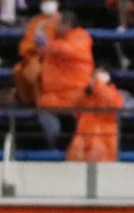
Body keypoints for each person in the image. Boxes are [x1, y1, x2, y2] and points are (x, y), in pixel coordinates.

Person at [36, 9, 94, 149]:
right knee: (50, 125)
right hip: (53, 97)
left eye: (58, 23)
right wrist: (44, 28)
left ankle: (78, 150)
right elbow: (41, 48)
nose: (54, 26)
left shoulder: (81, 37)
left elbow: (67, 50)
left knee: (81, 128)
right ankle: (53, 151)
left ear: (67, 25)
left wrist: (47, 42)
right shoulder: (55, 38)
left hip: (76, 95)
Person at [65, 68, 123, 161]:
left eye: (97, 78)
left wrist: (98, 85)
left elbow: (113, 104)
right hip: (81, 143)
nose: (94, 80)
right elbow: (73, 105)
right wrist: (86, 90)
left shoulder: (114, 94)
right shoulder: (86, 96)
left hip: (103, 144)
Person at [13, 0, 60, 105]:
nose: (48, 4)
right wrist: (35, 48)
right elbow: (24, 46)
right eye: (45, 1)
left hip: (56, 58)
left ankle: (41, 104)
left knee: (34, 72)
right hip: (36, 56)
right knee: (18, 70)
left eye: (51, 0)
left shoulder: (62, 20)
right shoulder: (35, 23)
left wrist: (47, 48)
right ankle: (28, 102)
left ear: (57, 3)